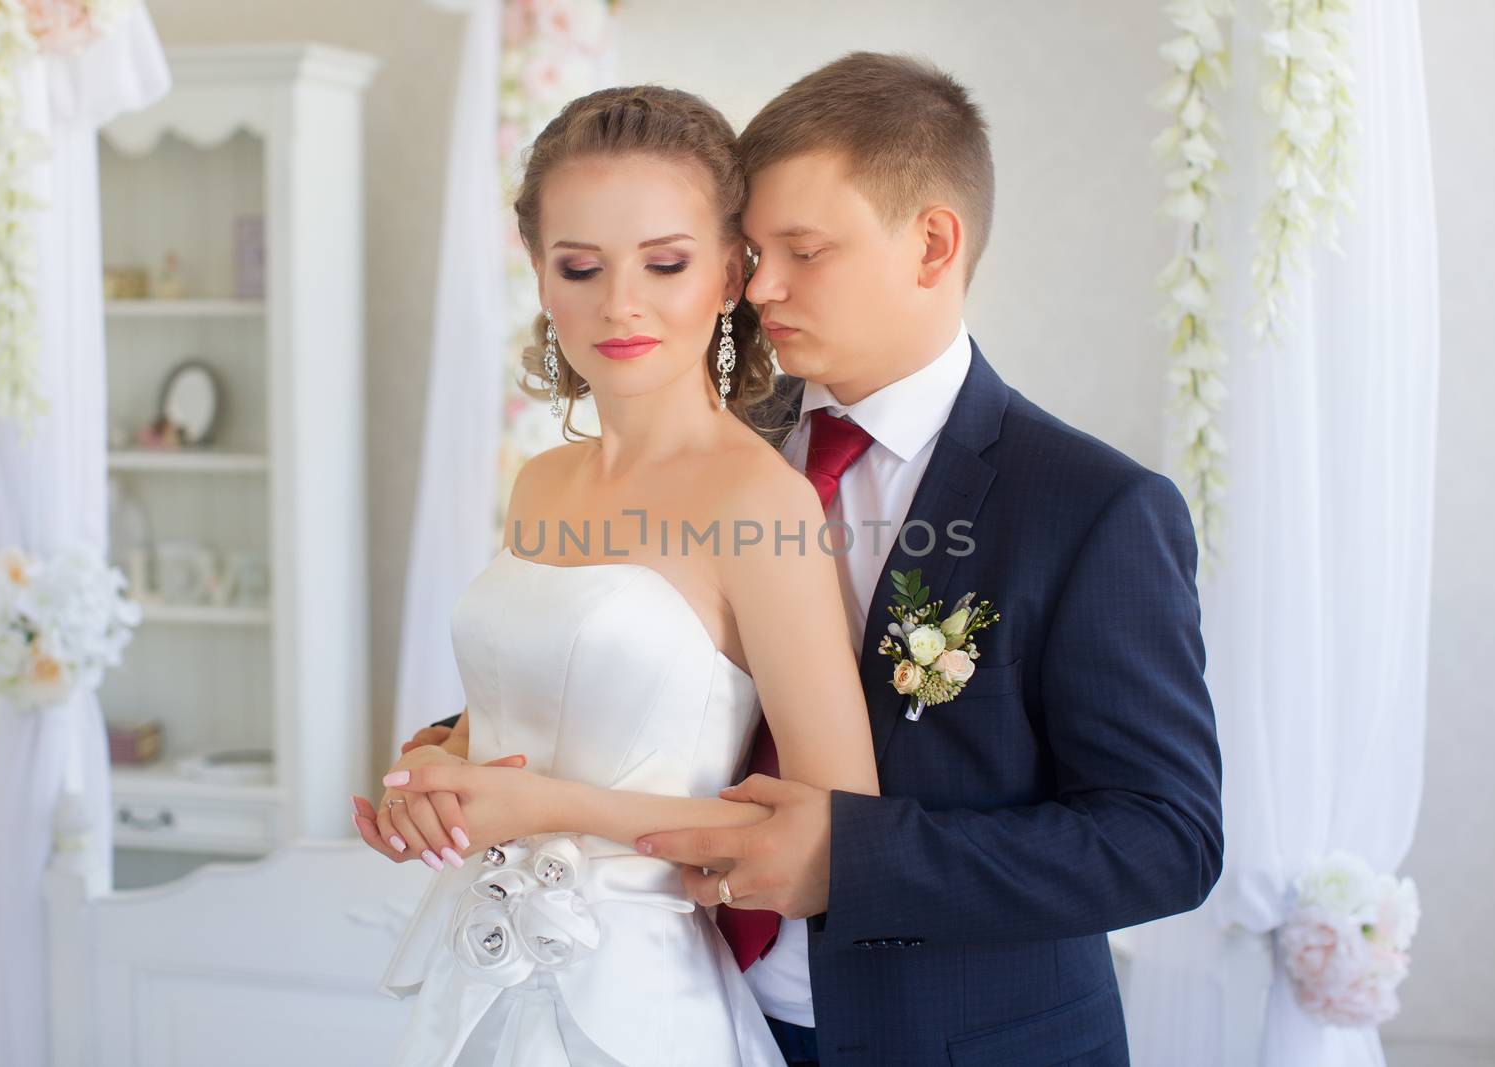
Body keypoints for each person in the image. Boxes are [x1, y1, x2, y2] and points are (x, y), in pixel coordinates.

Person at [363, 53, 1224, 1067]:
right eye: (752, 250)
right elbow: (610, 677)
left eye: (803, 251)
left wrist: (851, 857)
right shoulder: (700, 429)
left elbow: (1165, 838)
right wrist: (444, 754)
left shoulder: (1087, 507)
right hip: (689, 996)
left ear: (932, 244)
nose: (761, 286)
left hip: (950, 1035)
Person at [357, 83, 879, 1067]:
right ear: (541, 276)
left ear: (731, 271)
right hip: (483, 980)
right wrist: (431, 780)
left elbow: (832, 829)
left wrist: (555, 809)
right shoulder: (543, 479)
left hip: (638, 1004)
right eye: (581, 266)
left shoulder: (754, 499)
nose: (620, 303)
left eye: (666, 263)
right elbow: (517, 716)